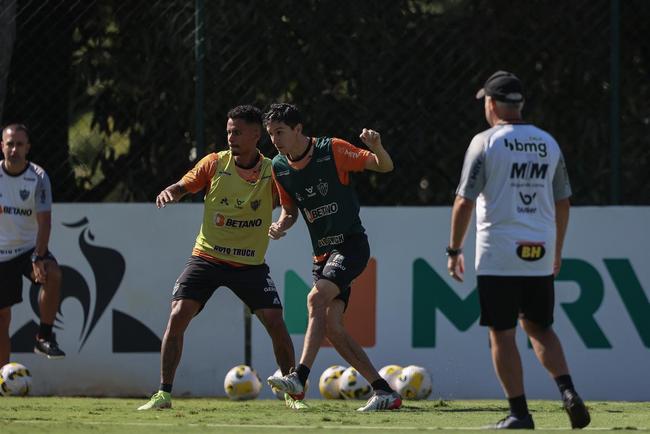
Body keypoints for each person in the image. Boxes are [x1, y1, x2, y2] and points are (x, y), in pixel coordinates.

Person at [447, 71, 590, 429]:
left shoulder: (485, 142)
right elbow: (564, 202)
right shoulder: (548, 143)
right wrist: (556, 250)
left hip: (498, 252)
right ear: (520, 105)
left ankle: (520, 413)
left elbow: (464, 201)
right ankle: (568, 391)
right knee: (541, 328)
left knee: (502, 333)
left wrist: (454, 249)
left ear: (492, 104)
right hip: (539, 250)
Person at [138, 105, 304, 410]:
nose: (231, 137)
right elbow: (182, 186)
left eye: (238, 132)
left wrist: (282, 223)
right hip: (207, 258)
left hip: (250, 265)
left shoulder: (274, 170)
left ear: (256, 135)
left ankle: (293, 395)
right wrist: (170, 192)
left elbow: (290, 211)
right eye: (228, 131)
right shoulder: (215, 163)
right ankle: (163, 393)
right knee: (177, 316)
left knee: (276, 322)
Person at [264, 103, 401, 412]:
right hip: (322, 256)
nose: (275, 140)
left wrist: (376, 146)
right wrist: (280, 225)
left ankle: (299, 377)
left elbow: (384, 166)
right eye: (271, 134)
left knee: (315, 300)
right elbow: (289, 210)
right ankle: (383, 391)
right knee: (333, 328)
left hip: (351, 245)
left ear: (298, 129)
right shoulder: (279, 167)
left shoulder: (332, 149)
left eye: (280, 132)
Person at [0, 123, 66, 366]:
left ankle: (44, 337)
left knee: (53, 274)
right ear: (1, 146)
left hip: (28, 250)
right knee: (2, 319)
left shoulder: (37, 177)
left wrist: (38, 257)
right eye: (9, 144)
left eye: (19, 144)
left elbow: (45, 222)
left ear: (27, 148)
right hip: (0, 254)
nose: (14, 149)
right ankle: (3, 382)